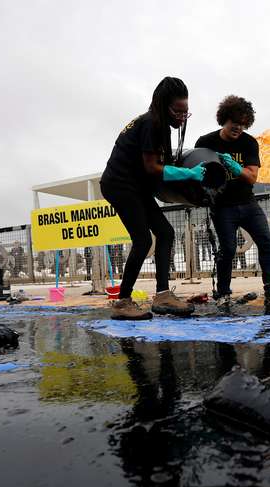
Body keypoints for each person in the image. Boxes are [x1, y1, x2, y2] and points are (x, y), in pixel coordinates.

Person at [99, 77, 200, 320]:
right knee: (143, 241)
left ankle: (163, 295)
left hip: (136, 185)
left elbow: (157, 166)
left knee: (165, 232)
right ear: (163, 105)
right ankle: (123, 302)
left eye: (186, 112)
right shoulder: (152, 124)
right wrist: (188, 173)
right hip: (120, 184)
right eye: (178, 111)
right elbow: (153, 167)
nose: (181, 117)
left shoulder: (159, 124)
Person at [195, 95, 270, 311]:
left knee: (266, 241)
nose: (238, 127)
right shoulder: (205, 142)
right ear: (224, 120)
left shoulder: (248, 142)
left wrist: (237, 169)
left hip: (248, 203)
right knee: (227, 249)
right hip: (222, 205)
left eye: (243, 123)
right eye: (234, 123)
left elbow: (252, 176)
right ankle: (223, 294)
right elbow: (196, 171)